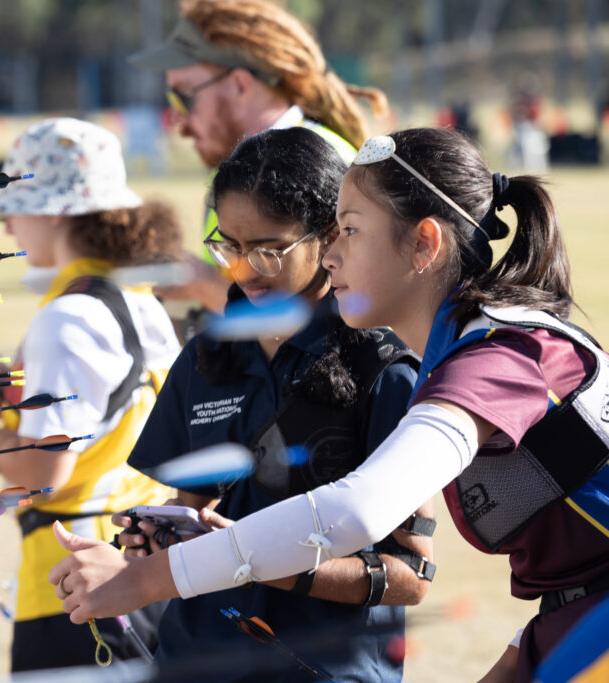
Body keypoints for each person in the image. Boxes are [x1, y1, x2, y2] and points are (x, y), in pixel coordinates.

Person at [49, 127, 609, 682]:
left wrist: (150, 579)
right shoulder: (470, 349)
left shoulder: (500, 356)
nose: (331, 254)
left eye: (349, 231)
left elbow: (360, 511)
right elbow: (575, 582)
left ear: (424, 244)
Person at [81, 127, 432, 681]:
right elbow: (191, 511)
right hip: (196, 662)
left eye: (270, 250)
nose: (243, 269)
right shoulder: (205, 356)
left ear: (329, 236)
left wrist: (252, 559)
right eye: (229, 246)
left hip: (322, 668)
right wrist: (152, 541)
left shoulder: (385, 369)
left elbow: (409, 575)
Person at [0, 117, 182, 672]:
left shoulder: (68, 318)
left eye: (15, 205)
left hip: (76, 593)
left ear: (54, 209)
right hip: (137, 577)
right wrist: (5, 401)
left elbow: (44, 472)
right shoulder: (137, 299)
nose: (9, 226)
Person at [128, 0, 388, 317]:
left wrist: (202, 285)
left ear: (240, 86)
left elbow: (354, 318)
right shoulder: (239, 169)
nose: (176, 120)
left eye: (184, 97)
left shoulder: (331, 165)